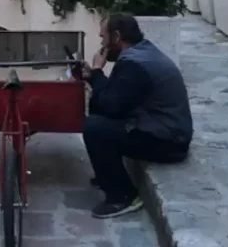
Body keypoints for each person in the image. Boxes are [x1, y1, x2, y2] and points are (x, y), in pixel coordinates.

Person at [79, 13, 193, 219]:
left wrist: (97, 72)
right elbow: (110, 99)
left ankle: (123, 196)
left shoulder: (135, 64)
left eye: (103, 38)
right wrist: (93, 78)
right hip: (161, 130)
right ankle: (108, 174)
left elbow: (111, 106)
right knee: (98, 120)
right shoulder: (139, 54)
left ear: (116, 36)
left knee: (94, 128)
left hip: (169, 141)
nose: (102, 44)